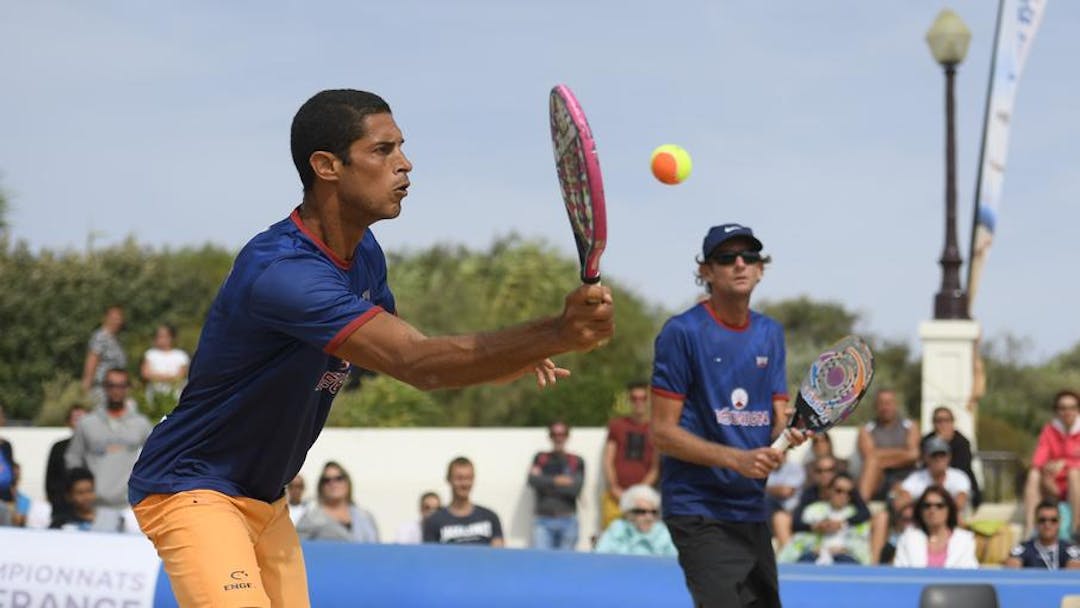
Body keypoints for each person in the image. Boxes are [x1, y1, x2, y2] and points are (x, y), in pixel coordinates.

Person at [126, 90, 612, 607]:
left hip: (265, 499)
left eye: (401, 147)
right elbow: (418, 363)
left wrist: (516, 352)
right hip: (193, 487)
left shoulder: (364, 256)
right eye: (382, 151)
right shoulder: (282, 272)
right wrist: (554, 331)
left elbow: (411, 357)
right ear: (326, 166)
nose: (405, 164)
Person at [651, 223, 806, 608]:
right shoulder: (681, 332)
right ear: (706, 271)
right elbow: (662, 433)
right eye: (726, 258)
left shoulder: (770, 332)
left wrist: (789, 435)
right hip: (698, 508)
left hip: (750, 508)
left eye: (749, 256)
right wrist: (737, 459)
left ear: (760, 268)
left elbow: (776, 418)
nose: (740, 264)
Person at [67, 369, 152, 520]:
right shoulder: (87, 423)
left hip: (131, 508)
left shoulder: (142, 424)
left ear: (128, 388)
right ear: (104, 387)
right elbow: (73, 458)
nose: (116, 391)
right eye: (111, 385)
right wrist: (82, 495)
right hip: (95, 508)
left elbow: (155, 459)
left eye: (121, 385)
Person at [1023, 389, 1080, 540]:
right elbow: (1038, 460)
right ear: (1056, 411)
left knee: (1074, 473)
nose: (1067, 412)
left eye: (1072, 407)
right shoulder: (1049, 430)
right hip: (1054, 485)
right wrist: (1046, 470)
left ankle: (1076, 531)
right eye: (1063, 408)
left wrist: (1066, 463)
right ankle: (1029, 531)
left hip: (1075, 485)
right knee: (1034, 474)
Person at [601, 381, 658, 529]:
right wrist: (614, 487)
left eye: (643, 398)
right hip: (615, 497)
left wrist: (638, 495)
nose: (638, 402)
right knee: (611, 541)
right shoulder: (616, 425)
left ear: (649, 400)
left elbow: (655, 467)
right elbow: (608, 460)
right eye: (634, 398)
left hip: (644, 501)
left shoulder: (656, 428)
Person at [778, 473, 870, 565]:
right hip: (814, 554)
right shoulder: (813, 510)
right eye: (839, 490)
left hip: (845, 557)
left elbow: (860, 542)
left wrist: (845, 548)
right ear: (830, 490)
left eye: (849, 493)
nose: (844, 495)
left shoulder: (856, 514)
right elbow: (800, 537)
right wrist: (816, 532)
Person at [527, 420, 584, 550]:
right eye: (555, 434)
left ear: (567, 436)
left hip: (568, 521)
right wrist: (558, 480)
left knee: (565, 566)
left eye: (562, 434)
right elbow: (532, 481)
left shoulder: (576, 461)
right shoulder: (541, 458)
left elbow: (575, 489)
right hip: (543, 521)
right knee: (541, 565)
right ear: (550, 436)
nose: (558, 438)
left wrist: (545, 483)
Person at [856, 389, 920, 502]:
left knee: (874, 461)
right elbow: (868, 456)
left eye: (889, 403)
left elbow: (913, 455)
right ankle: (862, 508)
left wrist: (879, 456)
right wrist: (902, 452)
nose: (885, 407)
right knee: (871, 462)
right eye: (881, 403)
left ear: (896, 405)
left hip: (906, 476)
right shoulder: (866, 430)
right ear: (875, 406)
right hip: (878, 478)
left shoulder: (910, 426)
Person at [423, 457, 504, 546]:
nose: (464, 483)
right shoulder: (434, 521)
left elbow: (499, 555)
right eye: (459, 478)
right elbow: (430, 556)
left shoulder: (490, 517)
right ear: (448, 479)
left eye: (468, 478)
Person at [893, 486, 978, 569]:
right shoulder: (907, 538)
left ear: (949, 509)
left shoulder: (965, 540)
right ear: (920, 510)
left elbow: (971, 575)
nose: (932, 510)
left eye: (939, 505)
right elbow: (899, 573)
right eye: (927, 505)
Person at [295, 462, 379, 543]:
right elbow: (296, 549)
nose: (333, 483)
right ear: (321, 487)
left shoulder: (365, 517)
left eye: (339, 478)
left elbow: (377, 549)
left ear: (347, 482)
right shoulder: (311, 518)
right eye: (327, 480)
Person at [893, 436, 971, 516]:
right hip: (923, 521)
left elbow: (959, 504)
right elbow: (900, 503)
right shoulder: (916, 478)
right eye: (934, 455)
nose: (938, 459)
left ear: (949, 457)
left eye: (942, 455)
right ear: (926, 458)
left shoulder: (959, 477)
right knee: (907, 513)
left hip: (952, 522)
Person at [595, 484, 677, 557]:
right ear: (628, 513)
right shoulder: (618, 528)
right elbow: (600, 555)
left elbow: (675, 562)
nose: (649, 517)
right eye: (641, 511)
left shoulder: (663, 532)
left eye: (653, 512)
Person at [922, 406, 980, 509]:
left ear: (952, 422)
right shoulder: (927, 441)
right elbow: (924, 464)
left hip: (957, 485)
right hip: (931, 484)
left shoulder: (962, 442)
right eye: (939, 421)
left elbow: (962, 467)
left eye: (946, 420)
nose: (943, 424)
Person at [1004, 500, 1080, 570]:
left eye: (1053, 520)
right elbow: (1011, 572)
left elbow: (1074, 575)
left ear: (1059, 523)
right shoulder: (1023, 549)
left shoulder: (1070, 550)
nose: (1047, 524)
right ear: (1035, 523)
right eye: (1042, 520)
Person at [45, 404, 89, 522]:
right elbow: (50, 482)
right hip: (63, 510)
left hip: (92, 512)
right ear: (68, 423)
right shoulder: (58, 448)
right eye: (76, 419)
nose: (80, 423)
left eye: (84, 420)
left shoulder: (97, 449)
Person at [49, 467, 127, 532]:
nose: (86, 497)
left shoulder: (113, 518)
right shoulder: (60, 524)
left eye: (90, 491)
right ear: (68, 496)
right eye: (80, 493)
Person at [80, 305, 126, 408]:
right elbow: (91, 362)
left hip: (115, 390)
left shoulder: (115, 339)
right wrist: (85, 390)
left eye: (119, 319)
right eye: (114, 318)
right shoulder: (100, 337)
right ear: (105, 318)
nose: (117, 321)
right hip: (101, 390)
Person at [140, 324, 190, 403]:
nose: (162, 339)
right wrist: (169, 377)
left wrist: (157, 376)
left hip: (176, 397)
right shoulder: (150, 354)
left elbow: (181, 375)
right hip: (154, 397)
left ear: (172, 337)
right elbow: (145, 373)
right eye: (159, 336)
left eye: (165, 336)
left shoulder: (181, 355)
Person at [765, 452, 805, 548]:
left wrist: (764, 488)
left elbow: (785, 492)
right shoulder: (765, 468)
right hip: (771, 508)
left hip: (790, 510)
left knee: (769, 504)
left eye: (783, 452)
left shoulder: (794, 468)